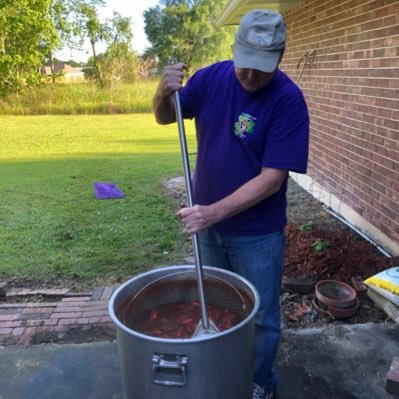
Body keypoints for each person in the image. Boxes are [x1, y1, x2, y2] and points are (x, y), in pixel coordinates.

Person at [153, 9, 309, 399]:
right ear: (235, 49)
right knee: (218, 306)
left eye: (263, 69)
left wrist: (212, 212)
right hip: (209, 229)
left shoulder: (288, 100)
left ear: (281, 56)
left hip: (257, 234)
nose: (251, 77)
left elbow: (272, 179)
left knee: (260, 317)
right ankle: (224, 371)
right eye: (246, 66)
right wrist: (161, 89)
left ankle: (259, 383)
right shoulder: (210, 78)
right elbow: (164, 117)